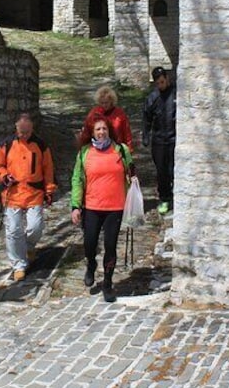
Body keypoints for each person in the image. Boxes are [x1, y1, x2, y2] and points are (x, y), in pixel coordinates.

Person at [71, 117, 134, 303]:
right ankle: (91, 263)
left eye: (104, 129)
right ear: (92, 132)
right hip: (92, 207)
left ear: (109, 131)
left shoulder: (121, 150)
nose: (101, 132)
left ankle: (107, 283)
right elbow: (77, 180)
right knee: (89, 243)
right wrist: (76, 206)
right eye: (98, 129)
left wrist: (133, 197)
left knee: (110, 246)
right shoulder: (84, 152)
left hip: (115, 207)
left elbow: (132, 175)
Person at [0, 113, 57, 281]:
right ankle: (19, 264)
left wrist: (49, 190)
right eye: (21, 132)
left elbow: (48, 170)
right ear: (16, 128)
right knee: (13, 229)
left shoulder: (41, 146)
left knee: (36, 227)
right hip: (12, 195)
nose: (24, 135)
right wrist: (4, 176)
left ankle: (28, 247)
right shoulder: (6, 144)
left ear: (32, 129)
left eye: (27, 132)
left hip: (34, 194)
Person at [142, 66, 176, 215]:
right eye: (158, 83)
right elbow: (146, 118)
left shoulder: (176, 94)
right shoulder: (153, 98)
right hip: (159, 139)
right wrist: (146, 135)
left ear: (167, 78)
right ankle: (164, 197)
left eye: (163, 81)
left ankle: (176, 195)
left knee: (172, 169)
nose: (161, 85)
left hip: (174, 137)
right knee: (162, 171)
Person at [81, 85, 134, 152]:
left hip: (117, 148)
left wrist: (129, 148)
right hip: (97, 148)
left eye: (106, 103)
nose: (104, 105)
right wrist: (83, 146)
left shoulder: (120, 114)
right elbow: (87, 131)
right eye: (102, 103)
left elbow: (127, 132)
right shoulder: (94, 113)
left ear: (111, 101)